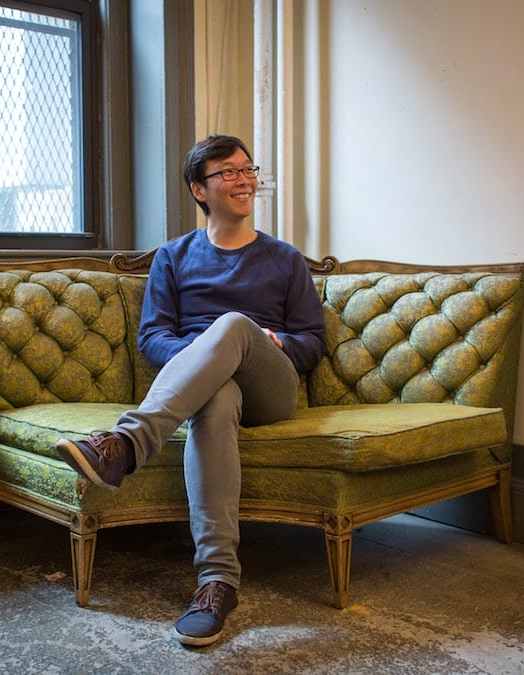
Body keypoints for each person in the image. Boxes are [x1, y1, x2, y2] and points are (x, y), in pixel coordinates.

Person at [55, 135, 326, 647]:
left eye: (249, 170)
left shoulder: (285, 260)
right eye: (228, 172)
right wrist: (208, 355)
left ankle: (126, 444)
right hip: (213, 391)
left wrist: (271, 340)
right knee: (216, 394)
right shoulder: (174, 258)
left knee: (234, 326)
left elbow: (313, 342)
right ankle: (217, 583)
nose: (244, 180)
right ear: (199, 190)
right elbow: (153, 339)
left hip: (272, 386)